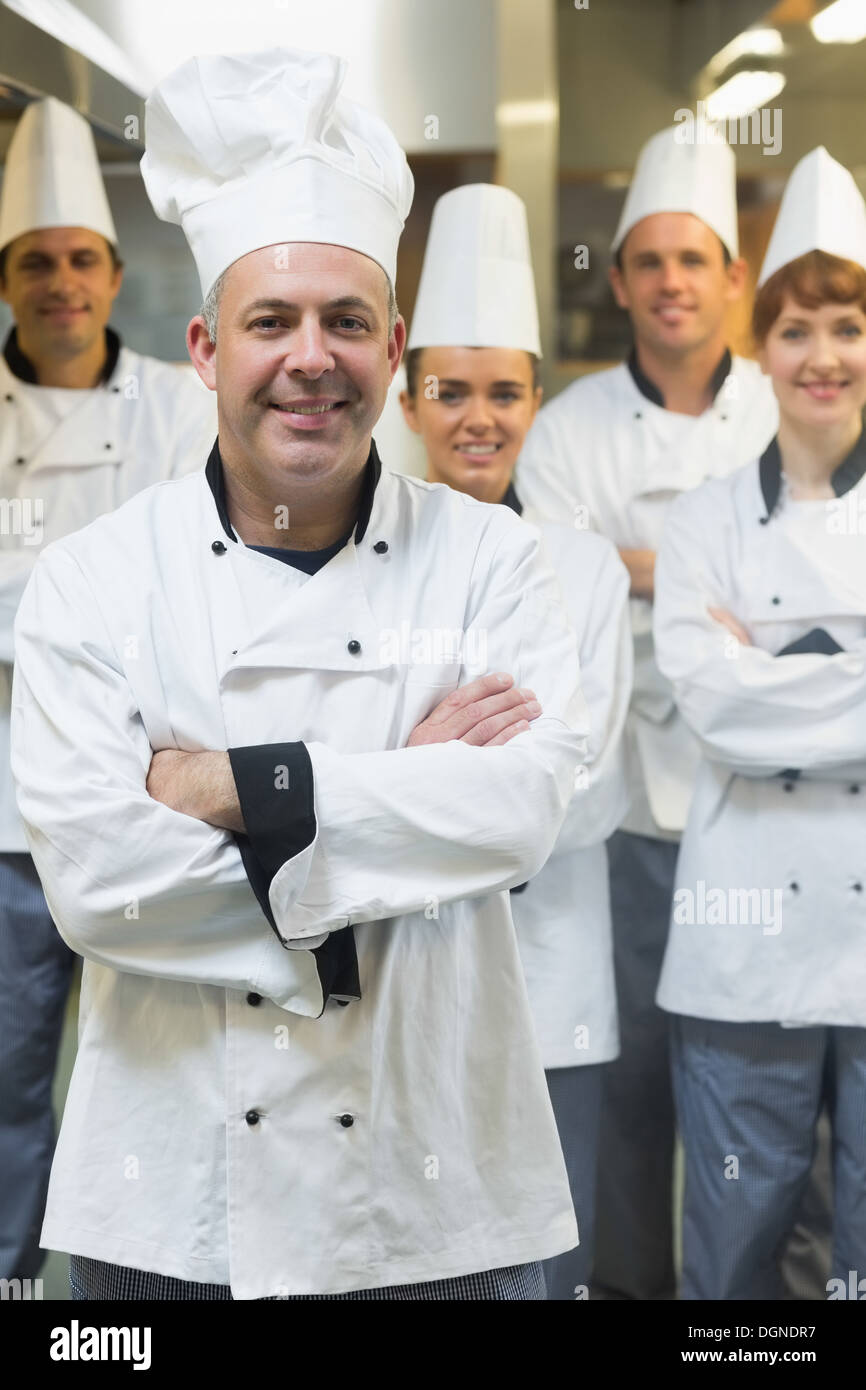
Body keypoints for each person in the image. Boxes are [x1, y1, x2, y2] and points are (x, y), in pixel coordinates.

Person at [11, 48, 587, 1301]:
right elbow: (100, 885)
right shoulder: (97, 579)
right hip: (164, 1207)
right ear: (208, 349)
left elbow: (516, 812)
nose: (309, 358)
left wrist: (226, 785)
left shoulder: (495, 559)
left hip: (438, 1197)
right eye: (271, 322)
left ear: (391, 345)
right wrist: (398, 791)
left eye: (343, 322)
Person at [516, 126, 784, 1300]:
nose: (672, 281)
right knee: (624, 1079)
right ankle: (628, 1296)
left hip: (762, 801)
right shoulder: (565, 428)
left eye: (695, 259)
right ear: (618, 280)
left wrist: (638, 561)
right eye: (649, 261)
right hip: (621, 799)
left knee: (760, 1085)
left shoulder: (793, 405)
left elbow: (818, 581)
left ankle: (754, 1311)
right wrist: (724, 572)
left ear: (733, 278)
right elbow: (559, 580)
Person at [400, 181, 632, 1300]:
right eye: (450, 390)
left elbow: (582, 789)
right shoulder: (366, 558)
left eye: (503, 391)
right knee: (414, 1252)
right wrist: (489, 760)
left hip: (550, 976)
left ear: (538, 399)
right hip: (395, 967)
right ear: (407, 398)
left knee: (551, 1261)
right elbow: (331, 761)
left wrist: (419, 767)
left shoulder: (581, 566)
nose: (476, 417)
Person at [0, 96, 216, 1281]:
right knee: (9, 1065)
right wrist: (85, 607)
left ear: (114, 270)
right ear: (7, 276)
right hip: (4, 827)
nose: (62, 282)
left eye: (82, 259)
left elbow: (184, 601)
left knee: (145, 1063)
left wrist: (36, 612)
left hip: (148, 802)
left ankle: (133, 1278)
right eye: (37, 260)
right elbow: (119, 601)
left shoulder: (181, 409)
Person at [653, 146, 866, 1300]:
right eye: (794, 329)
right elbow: (713, 711)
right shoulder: (700, 522)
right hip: (742, 948)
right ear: (759, 346)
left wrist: (763, 667)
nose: (821, 355)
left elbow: (742, 695)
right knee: (736, 1240)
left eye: (847, 325)